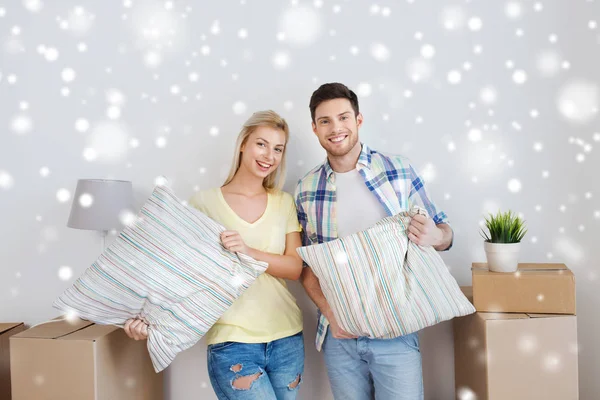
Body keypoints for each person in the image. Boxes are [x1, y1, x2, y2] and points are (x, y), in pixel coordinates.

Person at [125, 110, 305, 400]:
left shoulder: (283, 202)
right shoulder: (204, 203)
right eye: (262, 144)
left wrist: (248, 252)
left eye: (278, 149)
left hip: (287, 338)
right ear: (243, 143)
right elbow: (179, 273)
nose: (269, 155)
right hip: (233, 343)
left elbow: (295, 268)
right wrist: (147, 318)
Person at [294, 83, 454, 400]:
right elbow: (306, 266)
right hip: (339, 335)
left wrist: (436, 235)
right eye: (325, 121)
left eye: (343, 117)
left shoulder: (399, 170)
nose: (336, 128)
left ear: (359, 120)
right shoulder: (306, 189)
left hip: (396, 329)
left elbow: (444, 234)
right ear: (314, 128)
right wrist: (330, 312)